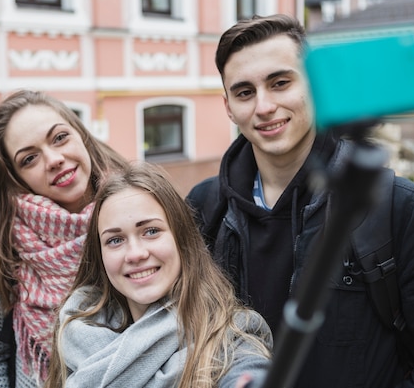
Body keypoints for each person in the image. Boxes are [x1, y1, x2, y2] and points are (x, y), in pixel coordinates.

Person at [185, 14, 414, 387]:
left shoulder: (400, 208)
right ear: (228, 106)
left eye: (281, 83)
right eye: (244, 92)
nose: (264, 105)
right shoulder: (205, 206)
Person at [44, 162, 272, 388]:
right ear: (100, 256)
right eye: (115, 240)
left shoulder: (231, 338)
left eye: (151, 231)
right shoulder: (74, 331)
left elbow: (248, 373)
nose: (135, 254)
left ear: (181, 238)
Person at [0, 90, 128, 388]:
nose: (54, 159)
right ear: (15, 176)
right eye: (29, 158)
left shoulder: (139, 210)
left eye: (60, 138)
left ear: (81, 135)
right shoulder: (5, 243)